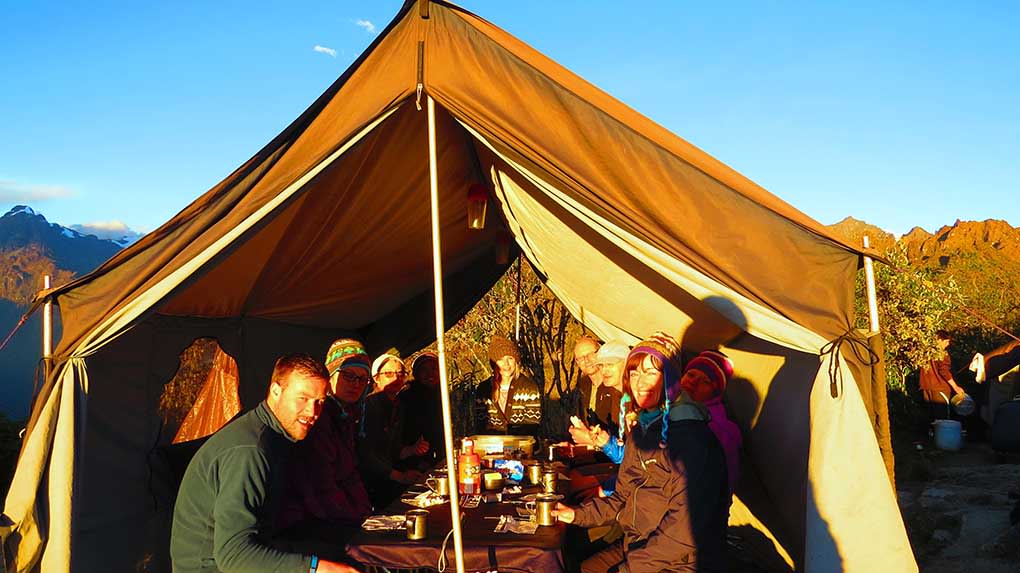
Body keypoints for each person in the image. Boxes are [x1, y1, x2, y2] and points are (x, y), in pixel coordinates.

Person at [552, 337, 729, 573]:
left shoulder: (694, 440)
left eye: (650, 373)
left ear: (670, 379)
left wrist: (630, 568)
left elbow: (683, 530)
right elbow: (622, 497)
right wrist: (576, 515)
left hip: (682, 561)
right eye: (634, 374)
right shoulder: (642, 432)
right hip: (637, 543)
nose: (640, 382)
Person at [170, 353, 358, 573]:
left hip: (258, 548)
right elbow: (233, 556)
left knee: (344, 553)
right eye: (302, 398)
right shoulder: (250, 451)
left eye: (320, 402)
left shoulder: (276, 436)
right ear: (276, 391)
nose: (312, 412)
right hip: (213, 567)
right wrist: (316, 568)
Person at [275, 339, 374, 557]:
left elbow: (350, 473)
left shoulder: (346, 416)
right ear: (330, 376)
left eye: (362, 378)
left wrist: (366, 513)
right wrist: (360, 521)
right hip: (306, 523)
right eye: (348, 375)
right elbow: (320, 487)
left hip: (335, 513)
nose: (355, 384)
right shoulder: (317, 419)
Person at [358, 353, 429, 508]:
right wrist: (400, 477)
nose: (396, 378)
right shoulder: (368, 406)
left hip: (388, 476)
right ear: (376, 378)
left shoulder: (398, 406)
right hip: (371, 484)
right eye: (389, 374)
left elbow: (393, 450)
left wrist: (412, 450)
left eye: (400, 374)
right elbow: (366, 455)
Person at [680, 350, 742, 494]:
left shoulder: (721, 432)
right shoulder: (663, 409)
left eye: (706, 382)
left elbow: (723, 484)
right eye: (691, 374)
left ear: (714, 394)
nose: (693, 382)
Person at [475, 335, 542, 435]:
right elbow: (482, 425)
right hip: (492, 446)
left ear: (516, 361)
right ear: (494, 364)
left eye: (510, 358)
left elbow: (532, 426)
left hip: (522, 446)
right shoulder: (483, 389)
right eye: (501, 359)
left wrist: (509, 445)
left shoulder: (529, 388)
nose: (506, 364)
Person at [402, 351, 445, 461]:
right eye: (424, 370)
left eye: (434, 369)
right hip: (416, 460)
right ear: (416, 374)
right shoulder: (408, 397)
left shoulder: (445, 395)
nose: (430, 374)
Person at [919, 330, 964, 421]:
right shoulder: (943, 355)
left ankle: (931, 434)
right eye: (946, 341)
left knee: (931, 417)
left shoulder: (924, 352)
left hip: (926, 387)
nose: (947, 344)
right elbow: (944, 372)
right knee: (942, 420)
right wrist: (956, 387)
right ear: (939, 340)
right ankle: (942, 435)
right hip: (940, 389)